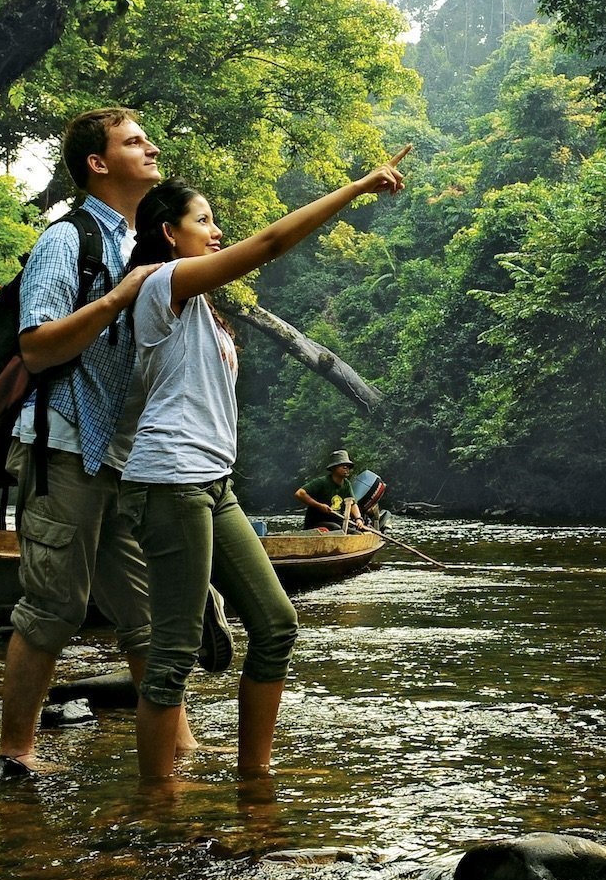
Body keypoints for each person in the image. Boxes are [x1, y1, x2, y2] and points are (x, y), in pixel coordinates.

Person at [117, 154, 406, 784]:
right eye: (205, 220)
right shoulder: (163, 283)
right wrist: (356, 188)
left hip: (211, 485)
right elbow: (271, 243)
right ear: (171, 233)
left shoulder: (203, 308)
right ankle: (156, 809)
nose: (216, 231)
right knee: (172, 656)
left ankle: (255, 785)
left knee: (275, 624)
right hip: (169, 481)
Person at [0, 108, 169, 786]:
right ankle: (15, 752)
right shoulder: (66, 240)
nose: (151, 146)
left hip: (116, 456)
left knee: (146, 615)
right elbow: (36, 345)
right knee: (53, 609)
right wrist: (118, 298)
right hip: (61, 445)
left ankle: (176, 752)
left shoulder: (138, 243)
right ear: (98, 164)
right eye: (134, 141)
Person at [295, 452, 387, 531]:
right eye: (343, 466)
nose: (346, 468)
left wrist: (358, 518)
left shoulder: (346, 484)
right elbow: (300, 493)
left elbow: (353, 503)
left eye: (348, 466)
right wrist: (319, 506)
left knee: (354, 530)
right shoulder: (322, 482)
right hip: (317, 523)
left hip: (336, 521)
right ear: (334, 468)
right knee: (336, 529)